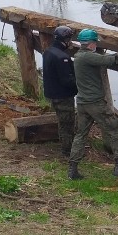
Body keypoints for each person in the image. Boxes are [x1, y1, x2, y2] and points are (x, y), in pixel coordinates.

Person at [67, 28, 118, 180]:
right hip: (95, 103)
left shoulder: (78, 56)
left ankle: (73, 169)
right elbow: (105, 60)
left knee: (80, 135)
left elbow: (100, 58)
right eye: (95, 42)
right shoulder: (87, 57)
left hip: (82, 103)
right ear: (91, 43)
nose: (96, 44)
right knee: (114, 130)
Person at [42, 25, 78, 158]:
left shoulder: (48, 52)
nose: (71, 42)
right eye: (70, 39)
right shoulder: (63, 57)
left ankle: (64, 147)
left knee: (62, 122)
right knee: (67, 124)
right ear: (66, 40)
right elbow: (67, 81)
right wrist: (78, 87)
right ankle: (67, 151)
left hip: (51, 93)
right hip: (62, 96)